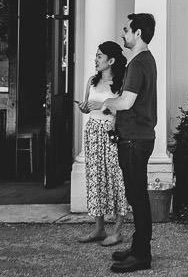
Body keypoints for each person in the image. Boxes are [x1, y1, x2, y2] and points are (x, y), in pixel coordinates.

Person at [90, 13, 158, 274]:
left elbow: (127, 103)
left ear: (138, 33)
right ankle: (138, 248)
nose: (122, 34)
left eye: (126, 30)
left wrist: (105, 103)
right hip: (138, 137)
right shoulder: (145, 61)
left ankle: (142, 256)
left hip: (134, 139)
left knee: (138, 198)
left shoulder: (138, 63)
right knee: (136, 196)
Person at [76, 41, 129, 247]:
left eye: (99, 56)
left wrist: (105, 105)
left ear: (111, 60)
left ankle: (117, 231)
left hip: (111, 134)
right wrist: (85, 107)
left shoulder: (121, 83)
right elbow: (87, 107)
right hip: (92, 132)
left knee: (117, 179)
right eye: (96, 55)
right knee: (95, 178)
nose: (95, 59)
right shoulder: (91, 80)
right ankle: (99, 228)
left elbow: (124, 111)